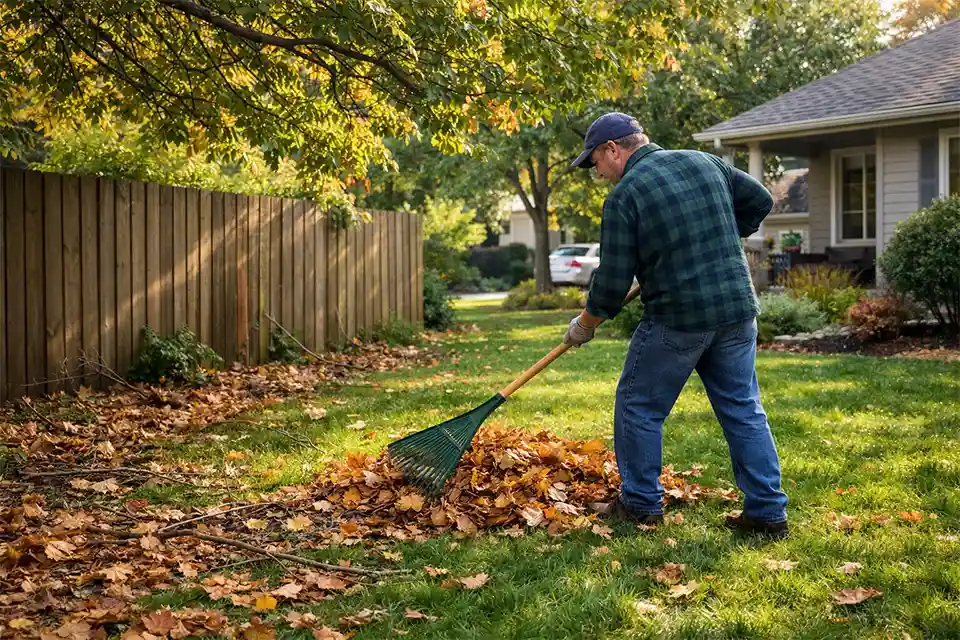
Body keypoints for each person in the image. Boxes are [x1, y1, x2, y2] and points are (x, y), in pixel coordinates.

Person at [563, 112, 789, 538]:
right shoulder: (705, 162)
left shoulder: (625, 195)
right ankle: (767, 513)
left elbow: (611, 284)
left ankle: (642, 505)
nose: (597, 174)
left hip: (680, 318)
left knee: (639, 406)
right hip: (737, 308)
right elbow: (760, 200)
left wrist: (584, 324)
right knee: (743, 408)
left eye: (595, 163)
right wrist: (720, 234)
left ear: (614, 149)